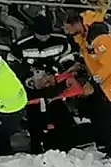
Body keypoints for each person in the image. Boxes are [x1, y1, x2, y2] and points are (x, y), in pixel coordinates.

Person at [61, 9, 111, 161]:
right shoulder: (83, 33)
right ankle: (102, 142)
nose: (65, 31)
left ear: (75, 24)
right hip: (103, 75)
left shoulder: (98, 34)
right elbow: (90, 55)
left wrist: (93, 83)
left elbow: (109, 64)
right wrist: (80, 65)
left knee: (101, 109)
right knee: (94, 107)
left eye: (67, 28)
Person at [8, 14, 80, 154]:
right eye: (40, 35)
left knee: (61, 115)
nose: (43, 38)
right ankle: (36, 148)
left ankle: (65, 146)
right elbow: (13, 62)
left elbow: (71, 57)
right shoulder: (22, 44)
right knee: (34, 120)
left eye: (46, 35)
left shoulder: (61, 41)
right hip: (33, 88)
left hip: (55, 86)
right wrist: (28, 79)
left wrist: (56, 73)